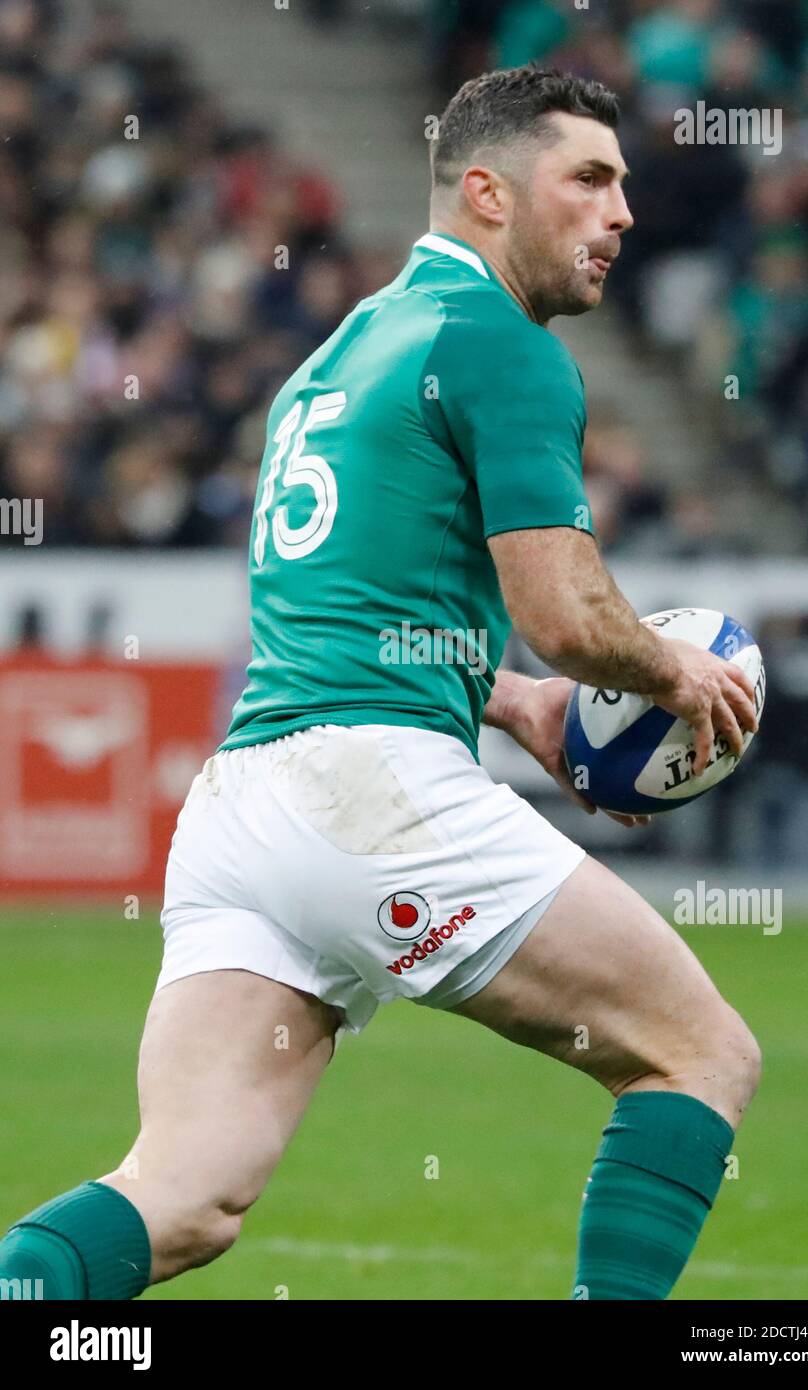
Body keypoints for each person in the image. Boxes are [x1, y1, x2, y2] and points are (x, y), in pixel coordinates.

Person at [0, 65, 759, 1302]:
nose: (621, 211)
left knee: (181, 1194)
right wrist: (665, 667)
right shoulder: (501, 345)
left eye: (621, 184)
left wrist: (513, 705)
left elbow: (360, 612)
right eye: (588, 179)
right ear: (485, 193)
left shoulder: (337, 357)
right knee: (698, 1054)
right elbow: (562, 615)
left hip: (244, 805)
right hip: (372, 795)